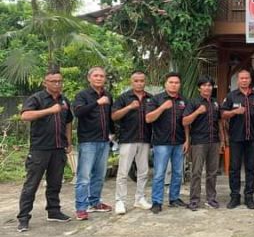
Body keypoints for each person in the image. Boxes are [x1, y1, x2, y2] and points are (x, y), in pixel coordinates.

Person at [16, 70, 74, 232]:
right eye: (53, 81)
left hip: (58, 148)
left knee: (55, 183)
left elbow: (68, 121)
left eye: (60, 81)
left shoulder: (64, 100)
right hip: (40, 149)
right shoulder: (37, 98)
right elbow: (25, 116)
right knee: (31, 184)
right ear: (45, 83)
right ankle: (23, 218)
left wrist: (69, 141)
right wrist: (49, 110)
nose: (57, 84)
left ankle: (54, 211)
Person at [73, 66, 113, 220]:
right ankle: (81, 208)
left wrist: (112, 133)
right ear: (89, 78)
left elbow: (109, 116)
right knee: (83, 177)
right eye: (96, 75)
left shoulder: (108, 95)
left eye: (101, 76)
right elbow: (78, 112)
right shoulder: (82, 95)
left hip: (104, 140)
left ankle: (95, 203)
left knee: (99, 175)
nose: (99, 78)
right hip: (88, 141)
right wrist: (97, 102)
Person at [146, 72, 189, 214]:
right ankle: (157, 201)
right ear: (165, 84)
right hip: (161, 143)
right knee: (159, 173)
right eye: (171, 82)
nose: (174, 85)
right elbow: (148, 118)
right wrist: (163, 107)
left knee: (178, 172)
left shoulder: (183, 100)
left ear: (180, 85)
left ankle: (174, 198)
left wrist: (187, 140)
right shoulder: (156, 99)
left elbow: (186, 123)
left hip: (179, 142)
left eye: (176, 82)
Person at [111, 70, 153, 214]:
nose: (139, 83)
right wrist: (129, 107)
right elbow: (114, 116)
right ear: (131, 82)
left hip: (145, 138)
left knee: (143, 171)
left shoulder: (150, 98)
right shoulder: (124, 97)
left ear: (145, 82)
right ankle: (120, 201)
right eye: (136, 81)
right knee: (123, 172)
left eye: (142, 81)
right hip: (128, 139)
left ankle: (139, 198)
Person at [183, 76, 225, 211]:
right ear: (199, 88)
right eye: (204, 85)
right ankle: (194, 201)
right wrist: (197, 112)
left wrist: (223, 140)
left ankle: (211, 199)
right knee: (196, 172)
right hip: (199, 142)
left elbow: (220, 122)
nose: (207, 88)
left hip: (214, 141)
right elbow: (185, 121)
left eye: (209, 85)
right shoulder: (193, 102)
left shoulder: (215, 103)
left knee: (212, 172)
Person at [221, 69, 254, 210]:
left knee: (251, 168)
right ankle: (235, 197)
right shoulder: (231, 96)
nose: (244, 80)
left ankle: (249, 197)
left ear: (250, 80)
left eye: (246, 78)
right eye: (241, 78)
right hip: (236, 138)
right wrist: (234, 112)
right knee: (234, 168)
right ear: (238, 80)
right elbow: (223, 114)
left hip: (252, 138)